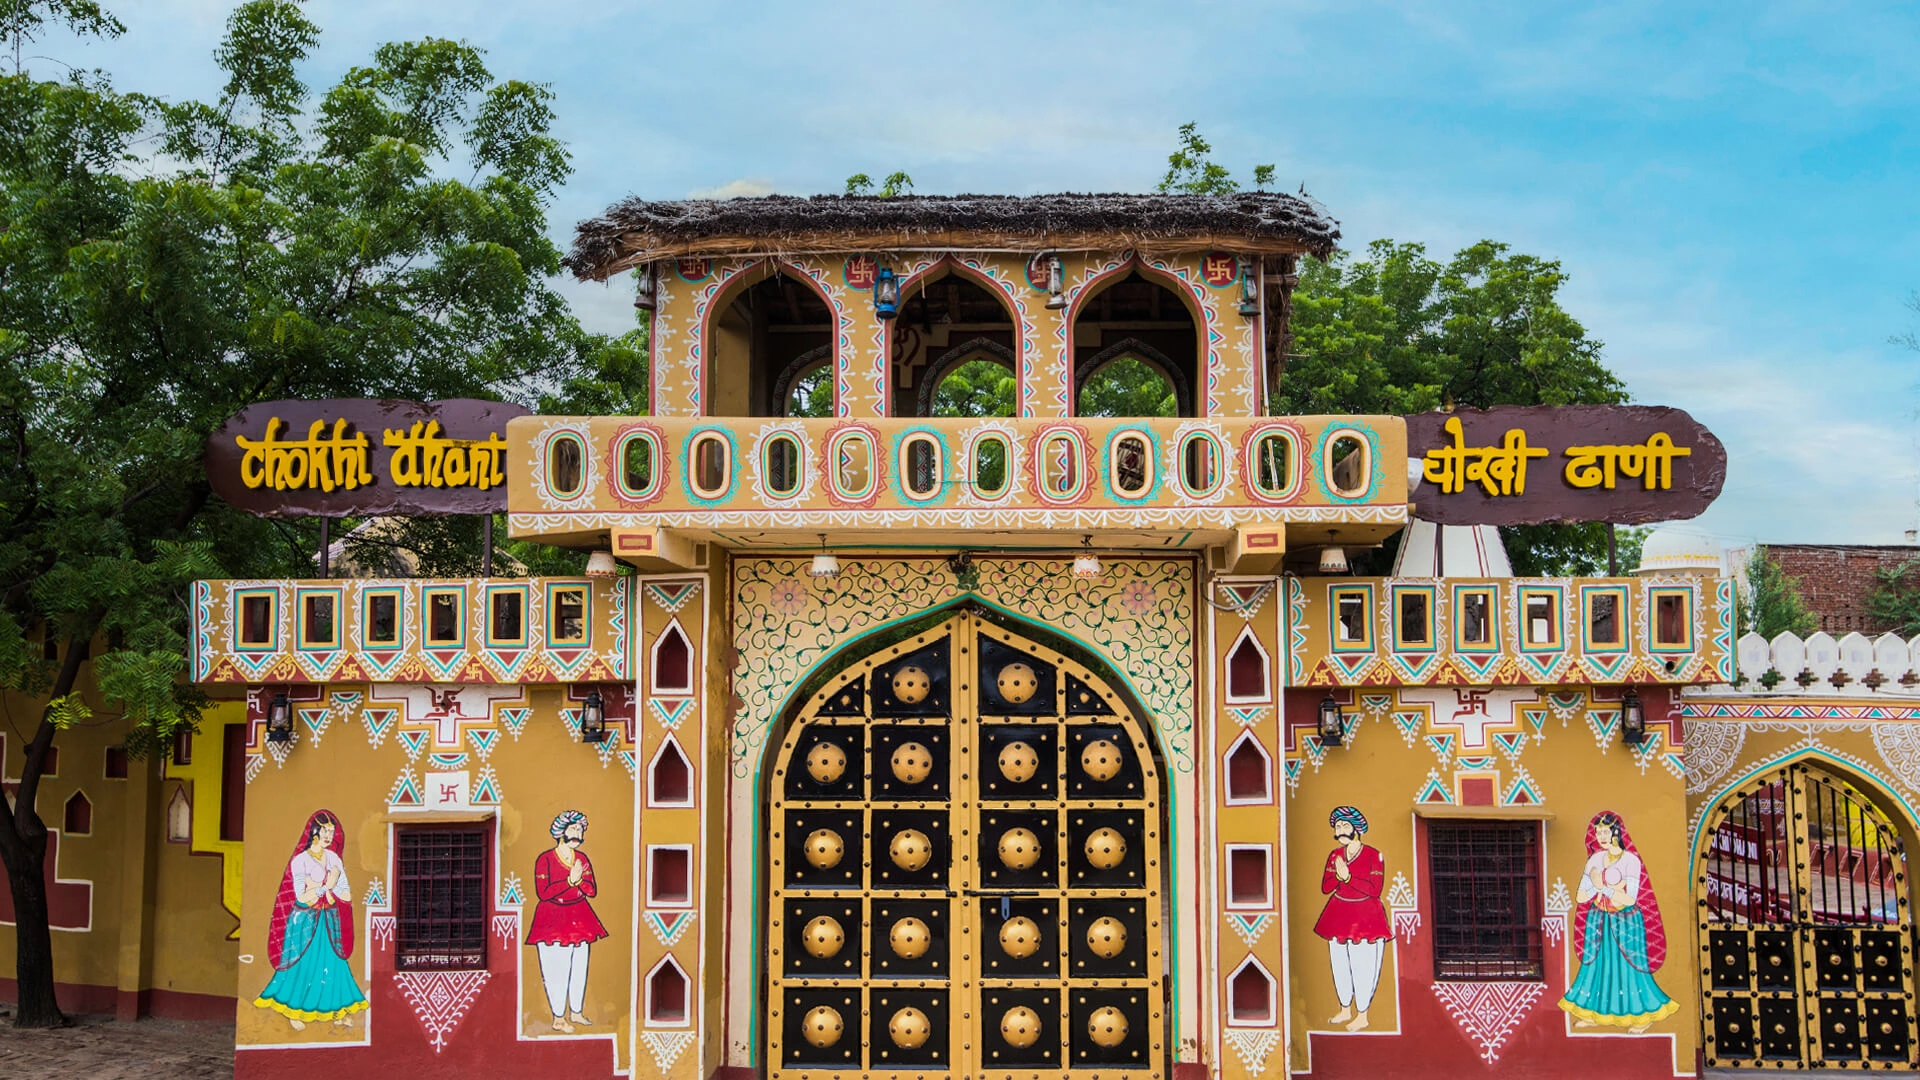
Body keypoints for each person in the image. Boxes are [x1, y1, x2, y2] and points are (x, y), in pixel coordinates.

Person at [1559, 810, 1678, 1032]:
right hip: (1599, 918)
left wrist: (1600, 885)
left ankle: (1641, 1017)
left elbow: (1630, 898)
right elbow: (1581, 896)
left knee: (1628, 968)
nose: (1601, 836)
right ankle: (1596, 1013)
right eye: (1598, 832)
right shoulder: (1595, 859)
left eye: (1605, 832)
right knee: (1599, 967)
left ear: (1616, 832)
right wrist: (1596, 886)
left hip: (1626, 921)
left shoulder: (1630, 861)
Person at [256, 810, 368, 1030]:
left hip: (328, 919)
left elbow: (345, 894)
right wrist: (327, 885)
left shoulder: (334, 859)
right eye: (325, 830)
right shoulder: (301, 861)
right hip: (304, 921)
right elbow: (301, 895)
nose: (329, 835)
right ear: (314, 831)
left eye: (332, 832)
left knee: (333, 965)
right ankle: (293, 1009)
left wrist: (321, 887)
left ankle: (336, 1009)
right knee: (300, 966)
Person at [527, 809, 608, 1033]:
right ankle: (558, 1017)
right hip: (552, 920)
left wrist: (578, 882)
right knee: (556, 970)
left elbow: (591, 890)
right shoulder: (545, 859)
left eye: (580, 830)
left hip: (581, 918)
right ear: (561, 831)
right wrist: (570, 882)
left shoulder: (581, 859)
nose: (578, 834)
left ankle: (576, 1011)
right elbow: (544, 892)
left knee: (579, 965)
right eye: (573, 829)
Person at [1314, 805, 1389, 1031]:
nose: (1341, 830)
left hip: (1366, 918)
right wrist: (1338, 876)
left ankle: (1362, 1014)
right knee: (1340, 964)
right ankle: (1345, 1008)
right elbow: (1326, 886)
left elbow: (1374, 889)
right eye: (1338, 826)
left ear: (1357, 828)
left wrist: (1348, 878)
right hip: (1337, 914)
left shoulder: (1374, 855)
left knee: (1363, 966)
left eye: (1345, 825)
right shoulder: (1335, 855)